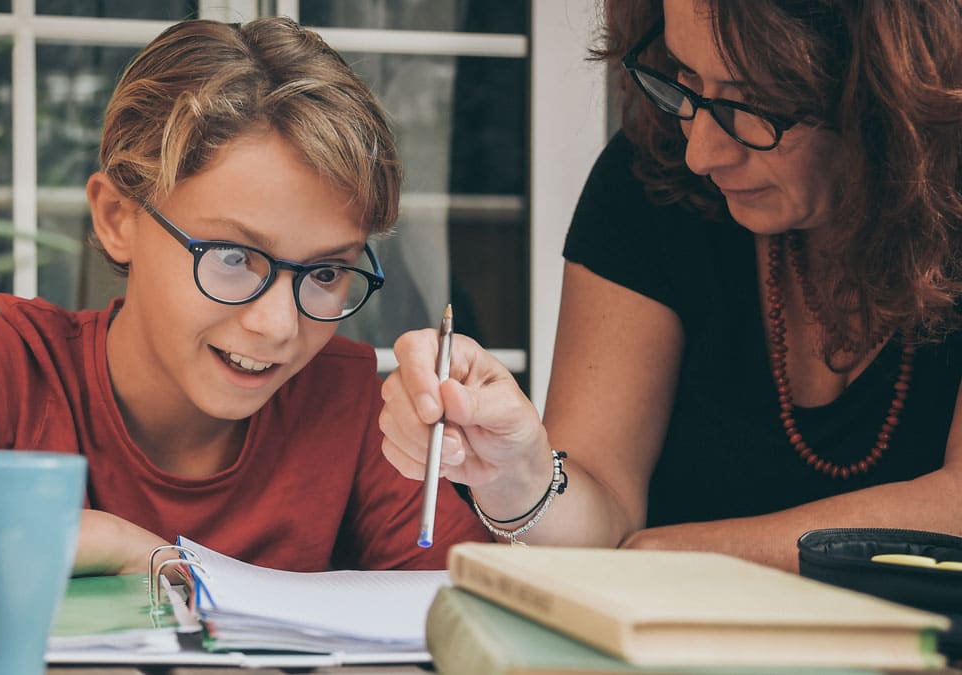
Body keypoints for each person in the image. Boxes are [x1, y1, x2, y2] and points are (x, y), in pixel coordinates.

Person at [0, 16, 489, 579]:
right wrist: (115, 545)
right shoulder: (3, 362)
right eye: (233, 257)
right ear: (118, 218)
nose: (278, 325)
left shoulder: (346, 405)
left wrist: (515, 476)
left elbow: (482, 598)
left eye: (326, 272)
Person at [380, 0, 962, 572]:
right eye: (686, 79)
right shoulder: (653, 177)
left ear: (886, 89)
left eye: (753, 103)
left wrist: (658, 555)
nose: (701, 152)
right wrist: (518, 473)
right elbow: (598, 513)